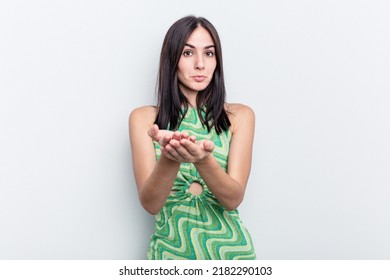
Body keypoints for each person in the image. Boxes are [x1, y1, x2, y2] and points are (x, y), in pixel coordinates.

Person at [129, 15, 256, 260]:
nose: (200, 64)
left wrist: (202, 159)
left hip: (232, 257)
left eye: (209, 53)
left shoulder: (239, 116)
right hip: (169, 257)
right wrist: (171, 156)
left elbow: (233, 199)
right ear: (172, 59)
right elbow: (151, 204)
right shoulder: (144, 119)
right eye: (188, 53)